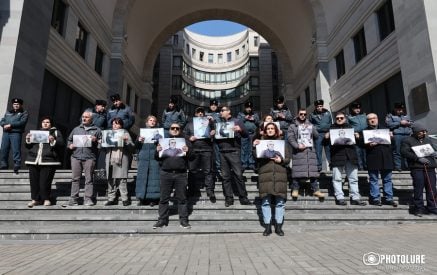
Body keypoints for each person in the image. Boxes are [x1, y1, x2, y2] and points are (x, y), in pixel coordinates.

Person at [253, 122, 290, 236]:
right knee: (265, 202)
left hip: (279, 175)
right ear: (265, 130)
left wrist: (281, 160)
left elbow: (288, 158)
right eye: (268, 128)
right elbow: (255, 157)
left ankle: (278, 227)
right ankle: (267, 227)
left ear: (276, 130)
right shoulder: (261, 143)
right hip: (265, 175)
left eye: (272, 128)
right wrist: (254, 146)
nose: (270, 130)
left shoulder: (282, 144)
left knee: (280, 202)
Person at [153, 123, 192, 229]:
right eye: (172, 128)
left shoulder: (185, 143)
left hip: (181, 174)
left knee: (182, 198)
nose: (175, 130)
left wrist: (188, 152)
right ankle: (162, 220)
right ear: (169, 130)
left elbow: (192, 157)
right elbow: (157, 158)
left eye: (177, 128)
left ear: (180, 130)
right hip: (166, 173)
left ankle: (183, 220)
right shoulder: (163, 143)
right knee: (164, 198)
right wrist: (157, 151)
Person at [325, 112, 366, 206]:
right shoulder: (331, 129)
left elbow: (360, 144)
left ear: (345, 118)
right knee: (337, 178)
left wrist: (358, 137)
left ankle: (355, 198)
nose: (339, 119)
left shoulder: (350, 128)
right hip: (337, 157)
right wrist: (326, 138)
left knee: (353, 179)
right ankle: (339, 197)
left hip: (351, 157)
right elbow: (325, 144)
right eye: (337, 118)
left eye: (341, 118)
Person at [24, 116, 64, 207]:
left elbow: (61, 144)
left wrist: (53, 140)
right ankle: (35, 199)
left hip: (48, 161)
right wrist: (28, 139)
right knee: (34, 182)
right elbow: (28, 146)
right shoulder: (36, 132)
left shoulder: (56, 132)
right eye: (43, 122)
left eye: (47, 122)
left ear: (51, 124)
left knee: (44, 182)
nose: (45, 123)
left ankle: (46, 199)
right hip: (33, 160)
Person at [216, 106, 251, 207]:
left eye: (222, 111)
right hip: (223, 152)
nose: (221, 112)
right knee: (225, 177)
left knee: (238, 175)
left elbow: (246, 135)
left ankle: (243, 197)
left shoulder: (237, 121)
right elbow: (216, 139)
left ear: (229, 111)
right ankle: (229, 198)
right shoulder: (219, 123)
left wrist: (240, 130)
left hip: (234, 151)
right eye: (220, 111)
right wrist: (213, 134)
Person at [65, 111, 102, 206]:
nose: (84, 118)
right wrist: (70, 146)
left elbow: (101, 145)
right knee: (75, 179)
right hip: (76, 157)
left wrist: (96, 140)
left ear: (91, 119)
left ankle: (88, 199)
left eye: (86, 117)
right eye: (83, 117)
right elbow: (69, 141)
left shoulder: (97, 130)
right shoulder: (76, 129)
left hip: (89, 158)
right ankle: (73, 199)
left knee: (89, 179)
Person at [401, 123, 437, 216]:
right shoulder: (407, 140)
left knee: (431, 188)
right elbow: (404, 152)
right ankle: (419, 208)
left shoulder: (427, 139)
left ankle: (432, 208)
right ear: (415, 131)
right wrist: (417, 158)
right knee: (418, 188)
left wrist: (434, 153)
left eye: (425, 131)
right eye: (421, 131)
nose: (424, 133)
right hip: (417, 167)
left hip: (430, 167)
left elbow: (433, 149)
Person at [288, 109, 324, 200]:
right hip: (299, 151)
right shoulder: (292, 126)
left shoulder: (310, 125)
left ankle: (316, 189)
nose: (303, 115)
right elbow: (290, 138)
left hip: (310, 151)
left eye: (304, 114)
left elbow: (316, 136)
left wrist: (312, 128)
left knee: (312, 172)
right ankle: (295, 189)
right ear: (298, 114)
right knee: (297, 171)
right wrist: (297, 146)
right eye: (301, 114)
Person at [362, 113, 397, 207]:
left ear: (377, 119)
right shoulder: (365, 131)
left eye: (374, 118)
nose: (372, 120)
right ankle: (375, 198)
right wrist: (368, 144)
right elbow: (361, 145)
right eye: (370, 119)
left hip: (386, 157)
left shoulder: (385, 129)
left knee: (387, 179)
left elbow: (393, 145)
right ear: (367, 121)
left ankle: (388, 198)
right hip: (373, 158)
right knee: (373, 179)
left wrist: (392, 137)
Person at [184, 107, 216, 202]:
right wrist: (189, 137)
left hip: (207, 149)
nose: (201, 114)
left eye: (202, 112)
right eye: (199, 112)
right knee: (192, 170)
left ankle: (210, 191)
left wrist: (213, 129)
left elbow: (216, 132)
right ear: (195, 114)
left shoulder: (209, 123)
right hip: (194, 150)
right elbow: (184, 134)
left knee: (208, 171)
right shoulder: (189, 124)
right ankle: (191, 190)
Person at [103, 118, 134, 206]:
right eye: (113, 124)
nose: (114, 126)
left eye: (117, 124)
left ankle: (125, 198)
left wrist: (126, 141)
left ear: (121, 125)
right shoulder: (108, 133)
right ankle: (111, 198)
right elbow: (103, 148)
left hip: (122, 158)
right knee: (110, 179)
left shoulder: (125, 132)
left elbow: (132, 147)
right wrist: (101, 142)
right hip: (110, 158)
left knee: (122, 179)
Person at [135, 115, 161, 206]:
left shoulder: (159, 133)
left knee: (153, 178)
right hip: (143, 157)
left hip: (154, 157)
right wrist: (138, 140)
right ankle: (141, 198)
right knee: (142, 177)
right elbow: (136, 146)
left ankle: (153, 199)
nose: (152, 122)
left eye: (154, 121)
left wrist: (159, 142)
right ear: (147, 122)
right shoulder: (141, 132)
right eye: (150, 120)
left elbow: (162, 146)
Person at [0, 98, 29, 172]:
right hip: (6, 133)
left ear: (21, 105)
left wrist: (10, 125)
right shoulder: (8, 112)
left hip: (16, 133)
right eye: (14, 104)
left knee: (16, 149)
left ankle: (17, 164)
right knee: (4, 149)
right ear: (13, 105)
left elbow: (22, 122)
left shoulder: (24, 113)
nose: (16, 105)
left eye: (17, 104)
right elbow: (2, 120)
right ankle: (3, 164)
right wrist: (4, 125)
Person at [385, 102, 412, 171]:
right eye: (398, 109)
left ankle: (408, 166)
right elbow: (389, 125)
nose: (400, 111)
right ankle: (398, 167)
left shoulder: (406, 116)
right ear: (395, 109)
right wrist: (399, 123)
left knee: (407, 151)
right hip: (397, 135)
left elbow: (412, 123)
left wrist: (409, 123)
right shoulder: (390, 116)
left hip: (407, 135)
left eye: (401, 109)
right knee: (397, 151)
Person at [309, 99, 332, 172]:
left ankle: (332, 165)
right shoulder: (312, 114)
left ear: (322, 106)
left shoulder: (327, 113)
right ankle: (319, 167)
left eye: (320, 106)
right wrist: (315, 130)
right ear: (315, 107)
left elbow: (330, 123)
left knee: (329, 150)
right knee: (318, 151)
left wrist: (329, 132)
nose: (319, 107)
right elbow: (310, 125)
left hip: (327, 134)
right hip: (318, 134)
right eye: (318, 106)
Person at [237, 101, 260, 171]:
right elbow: (238, 122)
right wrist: (245, 118)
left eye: (250, 108)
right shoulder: (241, 114)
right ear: (245, 108)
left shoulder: (255, 114)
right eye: (247, 107)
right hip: (243, 134)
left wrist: (254, 119)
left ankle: (251, 163)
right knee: (244, 149)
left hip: (253, 134)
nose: (249, 109)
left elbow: (259, 122)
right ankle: (244, 163)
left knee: (251, 149)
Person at [205, 99, 222, 181]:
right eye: (212, 105)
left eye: (215, 105)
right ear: (209, 106)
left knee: (217, 155)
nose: (213, 106)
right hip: (207, 138)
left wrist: (213, 121)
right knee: (208, 155)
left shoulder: (220, 114)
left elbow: (222, 124)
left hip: (217, 138)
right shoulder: (205, 114)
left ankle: (218, 170)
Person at [347, 102, 367, 170]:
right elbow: (348, 127)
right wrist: (354, 133)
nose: (357, 110)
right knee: (358, 152)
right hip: (356, 135)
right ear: (352, 109)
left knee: (365, 151)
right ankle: (360, 167)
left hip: (365, 135)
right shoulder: (349, 117)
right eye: (355, 108)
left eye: (358, 108)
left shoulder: (364, 115)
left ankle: (366, 166)